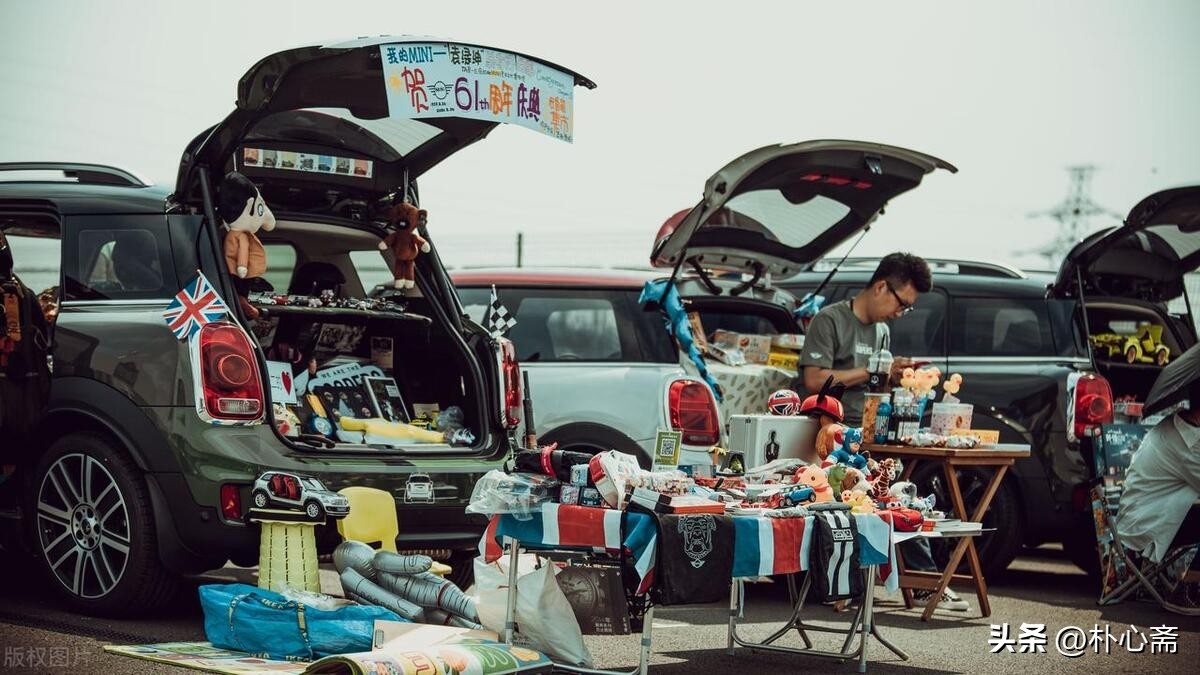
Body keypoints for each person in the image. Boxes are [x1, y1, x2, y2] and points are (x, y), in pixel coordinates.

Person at [799, 252, 970, 612]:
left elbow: (877, 385)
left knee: (896, 496)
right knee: (882, 498)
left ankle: (917, 582)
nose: (900, 312)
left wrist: (894, 377)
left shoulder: (882, 331)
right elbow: (815, 381)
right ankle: (907, 582)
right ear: (881, 286)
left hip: (872, 432)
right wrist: (873, 370)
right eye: (902, 304)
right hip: (832, 436)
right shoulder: (831, 320)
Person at [1116, 380, 1200, 616]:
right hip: (1145, 526)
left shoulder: (1182, 426)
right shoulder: (1186, 444)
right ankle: (1188, 591)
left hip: (1149, 515)